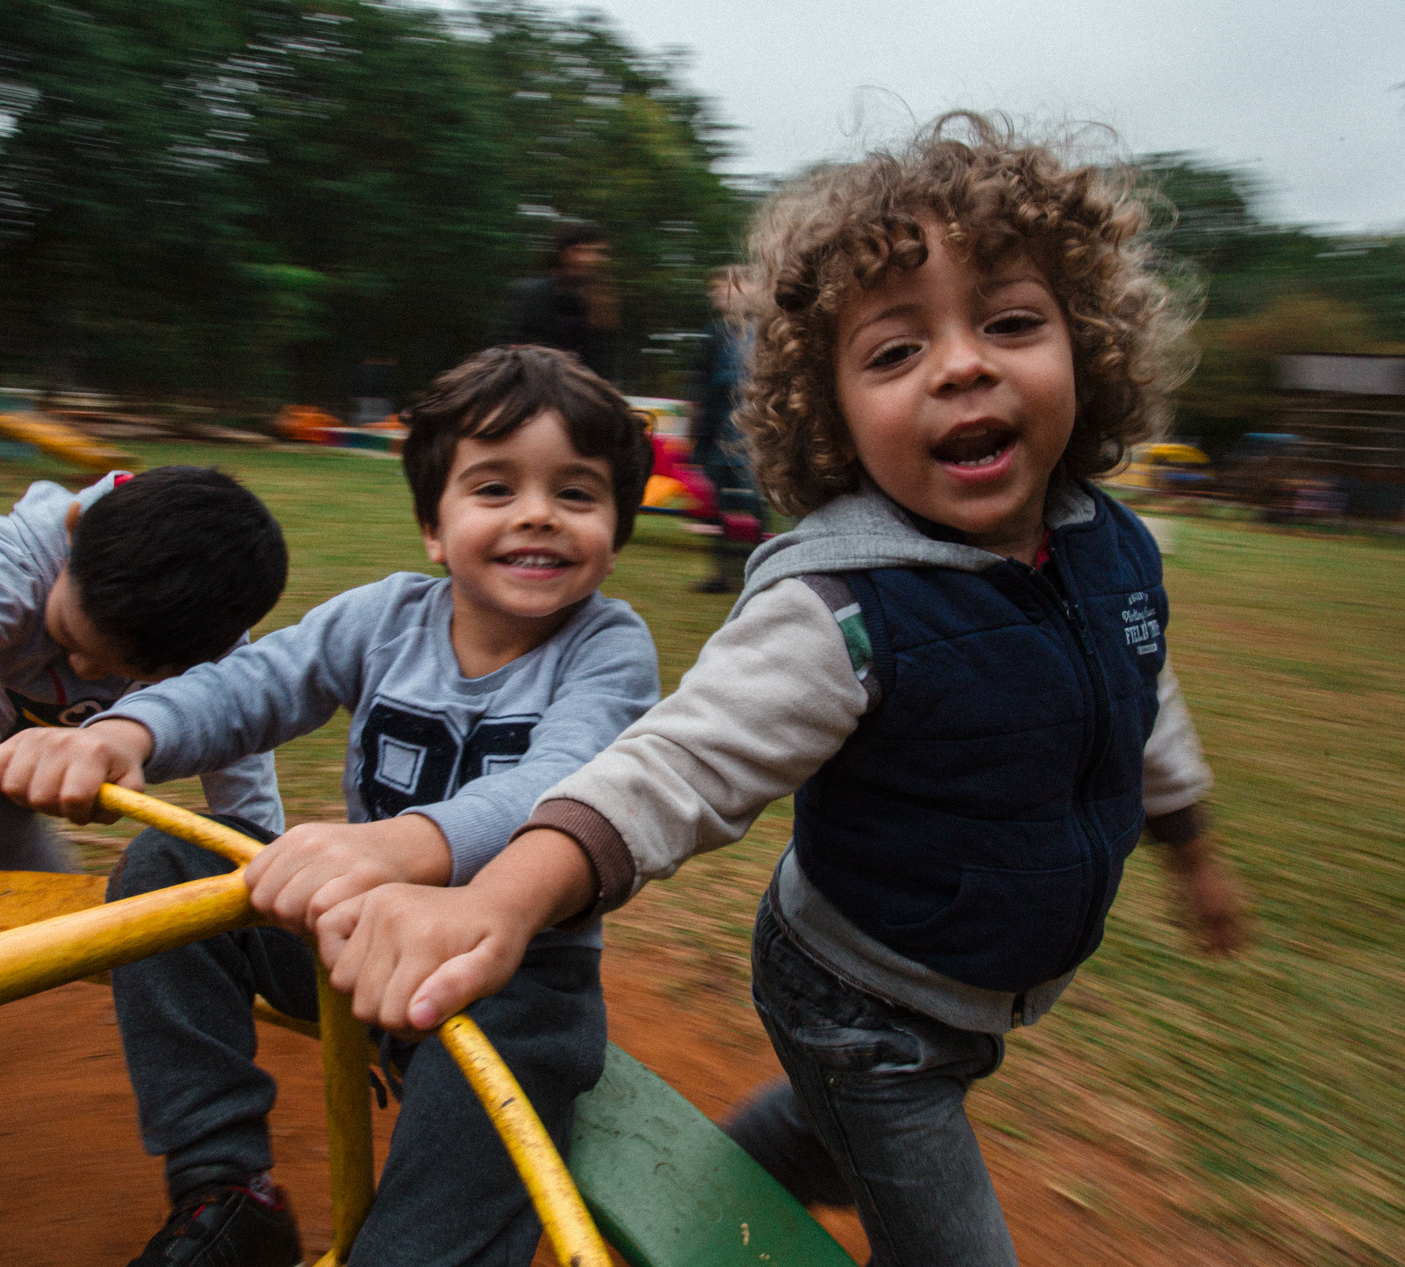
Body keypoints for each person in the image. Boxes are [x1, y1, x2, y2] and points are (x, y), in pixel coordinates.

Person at [306, 114, 1249, 1267]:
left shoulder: (1112, 552)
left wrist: (1191, 850)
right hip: (860, 1006)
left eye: (1010, 322)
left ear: (1086, 347)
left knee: (810, 1139)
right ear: (831, 410)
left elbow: (1138, 694)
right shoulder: (841, 606)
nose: (961, 364)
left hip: (962, 988)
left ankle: (722, 1176)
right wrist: (499, 899)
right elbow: (675, 765)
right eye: (895, 352)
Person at [0, 345, 659, 1267]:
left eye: (576, 494)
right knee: (168, 868)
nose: (537, 513)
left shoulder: (608, 647)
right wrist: (122, 735)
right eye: (494, 488)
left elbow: (564, 779)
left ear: (615, 530)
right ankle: (225, 1187)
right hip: (347, 942)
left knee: (488, 1124)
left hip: (510, 971)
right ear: (433, 523)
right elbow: (249, 684)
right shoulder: (384, 618)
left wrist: (399, 845)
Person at [0, 466, 288, 876]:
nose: (84, 670)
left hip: (6, 776)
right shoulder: (15, 557)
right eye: (69, 633)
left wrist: (263, 852)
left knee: (12, 870)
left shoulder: (206, 633)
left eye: (125, 670)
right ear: (72, 534)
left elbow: (235, 737)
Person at [689, 265, 764, 594]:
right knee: (717, 506)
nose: (716, 293)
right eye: (716, 288)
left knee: (754, 507)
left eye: (726, 287)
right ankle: (721, 575)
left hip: (753, 438)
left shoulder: (766, 332)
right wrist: (696, 436)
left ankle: (757, 575)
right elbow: (700, 389)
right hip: (717, 436)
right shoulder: (714, 332)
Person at [491, 221, 618, 381]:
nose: (588, 259)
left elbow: (601, 368)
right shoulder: (529, 295)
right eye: (580, 250)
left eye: (598, 252)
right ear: (563, 253)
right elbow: (502, 355)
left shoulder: (603, 305)